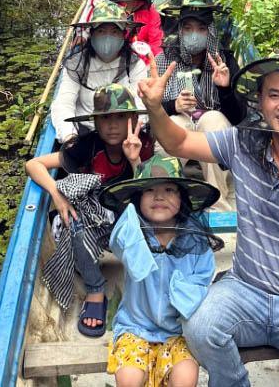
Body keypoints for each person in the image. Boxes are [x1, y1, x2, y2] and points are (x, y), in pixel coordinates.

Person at [137, 55, 279, 387]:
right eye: (274, 95)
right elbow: (179, 142)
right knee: (199, 327)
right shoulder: (241, 145)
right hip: (245, 289)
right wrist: (157, 108)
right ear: (260, 101)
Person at [26, 83, 153, 333]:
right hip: (90, 224)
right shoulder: (87, 146)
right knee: (74, 215)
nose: (113, 125)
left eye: (121, 117)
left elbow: (149, 191)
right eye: (106, 118)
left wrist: (134, 159)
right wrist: (56, 193)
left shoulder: (143, 144)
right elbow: (34, 165)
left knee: (160, 210)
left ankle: (147, 282)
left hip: (126, 219)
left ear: (133, 119)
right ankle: (95, 288)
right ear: (96, 122)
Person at [100, 154, 222, 387]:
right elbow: (119, 239)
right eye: (149, 191)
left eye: (169, 190)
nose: (159, 196)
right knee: (128, 378)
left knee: (186, 377)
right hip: (135, 327)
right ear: (137, 199)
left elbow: (202, 281)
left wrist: (181, 291)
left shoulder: (195, 242)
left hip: (179, 331)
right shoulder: (133, 235)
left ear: (182, 199)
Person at [154, 0, 245, 211]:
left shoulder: (224, 61)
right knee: (174, 123)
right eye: (188, 28)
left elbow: (239, 117)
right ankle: (165, 200)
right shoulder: (163, 59)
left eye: (201, 28)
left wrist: (224, 89)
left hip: (210, 126)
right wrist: (172, 105)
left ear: (210, 31)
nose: (194, 34)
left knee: (214, 119)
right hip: (179, 123)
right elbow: (151, 110)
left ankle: (218, 204)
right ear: (180, 30)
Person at [50, 2, 148, 143]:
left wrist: (132, 134)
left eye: (114, 32)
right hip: (84, 132)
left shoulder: (135, 64)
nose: (108, 37)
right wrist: (70, 137)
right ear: (92, 34)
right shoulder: (77, 64)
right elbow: (64, 103)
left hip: (124, 134)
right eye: (101, 31)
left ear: (123, 35)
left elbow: (140, 104)